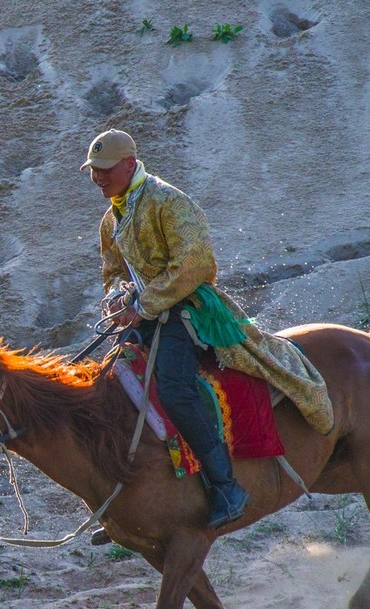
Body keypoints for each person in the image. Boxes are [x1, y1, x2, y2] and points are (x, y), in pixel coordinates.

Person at [81, 129, 334, 528]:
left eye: (104, 169)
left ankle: (226, 487)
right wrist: (116, 297)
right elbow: (112, 272)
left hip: (188, 313)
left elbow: (194, 265)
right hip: (144, 316)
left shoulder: (168, 201)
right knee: (112, 387)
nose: (97, 177)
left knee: (175, 391)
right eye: (93, 170)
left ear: (130, 164)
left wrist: (144, 304)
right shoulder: (111, 218)